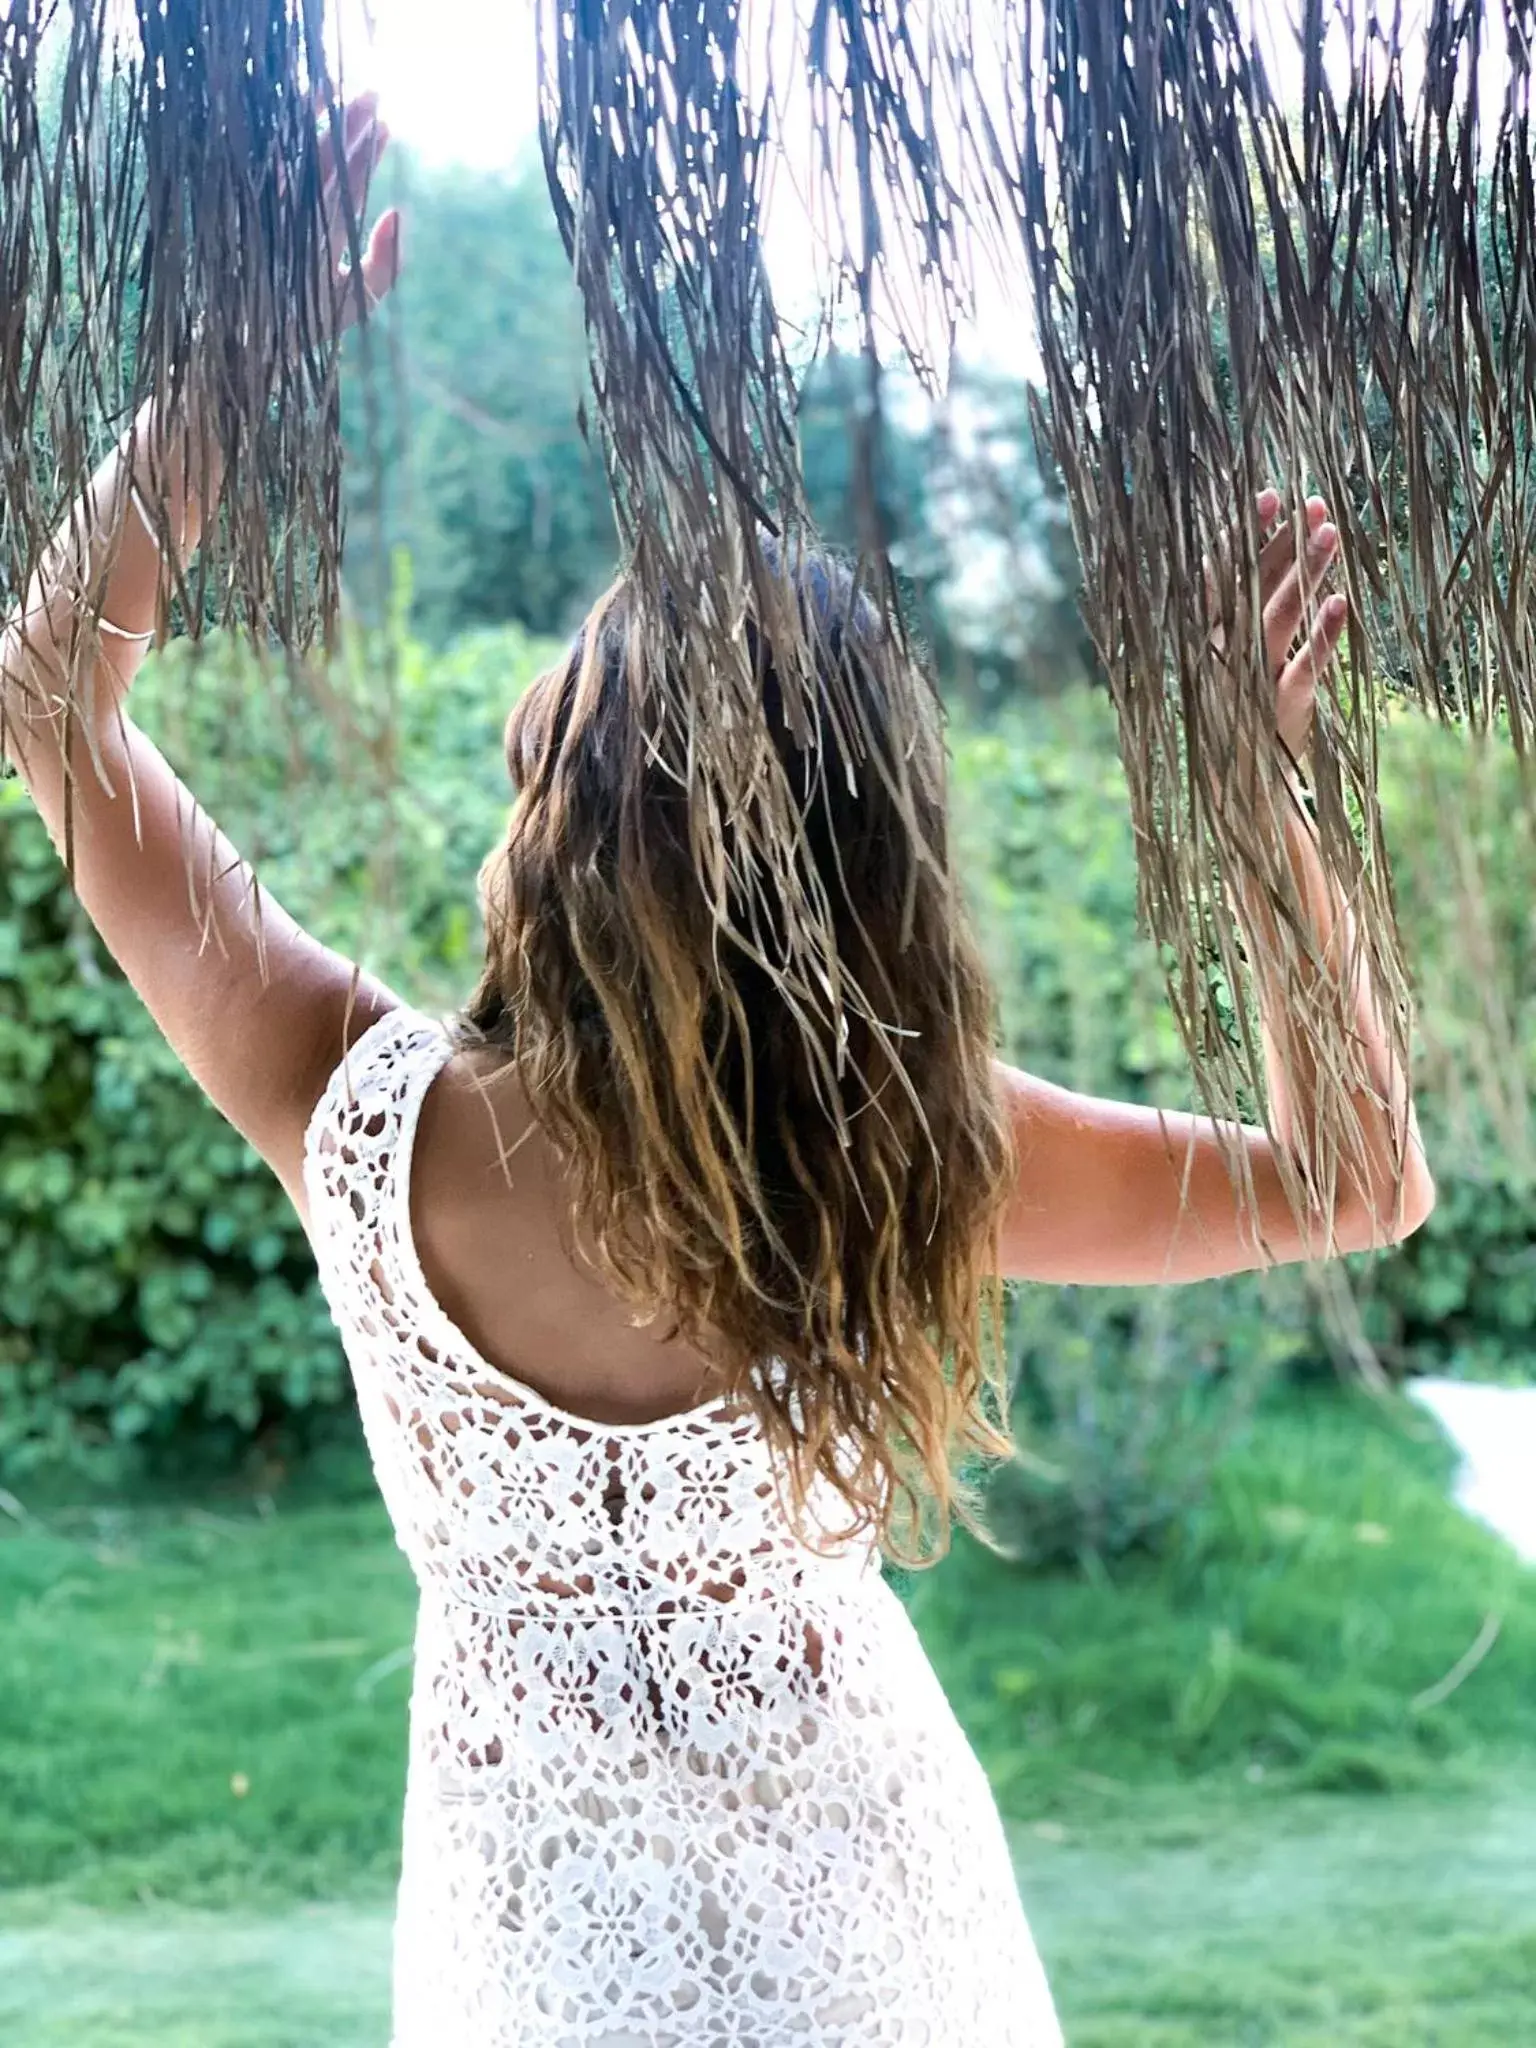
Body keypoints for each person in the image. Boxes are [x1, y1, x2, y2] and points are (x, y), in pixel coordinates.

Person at [0, 93, 1433, 2048]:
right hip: (887, 1957)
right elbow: (1349, 1179)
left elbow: (47, 699)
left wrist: (222, 390)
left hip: (541, 1981)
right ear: (868, 875)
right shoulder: (905, 1156)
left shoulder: (359, 1111)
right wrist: (1264, 801)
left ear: (561, 794)